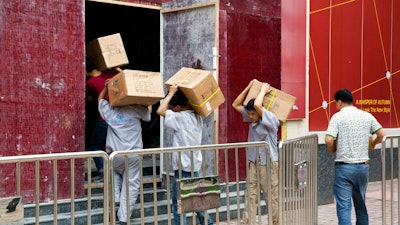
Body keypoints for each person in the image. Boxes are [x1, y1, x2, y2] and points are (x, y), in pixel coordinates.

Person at [325, 89, 386, 225]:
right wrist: (373, 143)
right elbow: (382, 134)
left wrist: (331, 150)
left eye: (335, 103)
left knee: (344, 207)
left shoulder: (337, 117)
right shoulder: (367, 116)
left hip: (344, 168)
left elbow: (329, 140)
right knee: (360, 205)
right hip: (362, 168)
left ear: (339, 102)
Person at [156, 84, 213, 225]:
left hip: (183, 168)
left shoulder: (179, 118)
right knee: (197, 200)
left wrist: (171, 93)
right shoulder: (197, 116)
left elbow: (160, 110)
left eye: (172, 107)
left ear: (178, 107)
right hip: (195, 165)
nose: (170, 109)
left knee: (179, 203)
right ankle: (208, 222)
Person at [98, 80, 151, 225]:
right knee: (131, 185)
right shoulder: (136, 110)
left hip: (115, 155)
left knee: (114, 173)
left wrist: (106, 87)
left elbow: (100, 100)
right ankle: (123, 217)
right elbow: (148, 115)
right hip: (133, 155)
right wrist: (147, 100)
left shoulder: (110, 112)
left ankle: (115, 197)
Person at [232, 80, 280, 225]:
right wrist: (249, 87)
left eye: (253, 114)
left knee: (271, 196)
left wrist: (262, 91)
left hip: (268, 163)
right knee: (250, 194)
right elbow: (235, 104)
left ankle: (275, 222)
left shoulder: (271, 120)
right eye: (249, 114)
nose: (250, 117)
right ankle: (248, 222)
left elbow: (258, 105)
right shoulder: (252, 118)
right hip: (254, 162)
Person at [85, 57, 119, 175]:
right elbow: (125, 75)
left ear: (85, 71)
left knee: (95, 145)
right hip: (119, 117)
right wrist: (116, 68)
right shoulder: (109, 73)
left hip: (105, 118)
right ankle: (113, 168)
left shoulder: (90, 83)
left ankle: (103, 170)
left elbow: (89, 100)